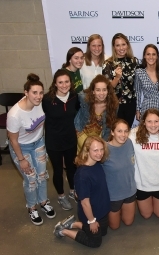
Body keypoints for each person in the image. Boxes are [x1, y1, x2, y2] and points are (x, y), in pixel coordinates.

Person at [7, 73, 56, 225]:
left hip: (38, 143)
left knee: (41, 175)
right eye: (34, 93)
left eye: (41, 92)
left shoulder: (40, 103)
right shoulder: (15, 114)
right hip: (22, 147)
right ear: (26, 93)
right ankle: (32, 207)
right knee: (31, 179)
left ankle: (43, 202)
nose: (38, 96)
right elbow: (13, 140)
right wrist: (21, 160)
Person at [53, 136, 110, 248]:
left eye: (101, 149)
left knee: (103, 232)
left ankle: (73, 224)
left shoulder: (97, 164)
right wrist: (91, 221)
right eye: (95, 150)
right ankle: (62, 230)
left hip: (102, 210)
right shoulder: (83, 175)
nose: (100, 153)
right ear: (87, 151)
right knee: (95, 242)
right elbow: (84, 203)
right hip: (91, 215)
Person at [42, 69, 79, 210]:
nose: (64, 85)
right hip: (54, 141)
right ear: (55, 84)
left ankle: (72, 191)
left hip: (70, 139)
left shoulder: (74, 97)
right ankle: (61, 196)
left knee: (72, 167)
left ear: (71, 82)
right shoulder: (46, 100)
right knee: (57, 170)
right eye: (60, 82)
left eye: (67, 82)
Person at [129, 108, 159, 219]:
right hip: (143, 184)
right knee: (146, 215)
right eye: (149, 121)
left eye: (156, 121)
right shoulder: (134, 135)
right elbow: (118, 139)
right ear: (143, 122)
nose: (153, 125)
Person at [102, 119, 136, 229]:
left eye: (126, 131)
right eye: (119, 131)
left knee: (128, 222)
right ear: (112, 132)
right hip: (113, 195)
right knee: (114, 227)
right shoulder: (104, 149)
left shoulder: (130, 143)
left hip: (129, 191)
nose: (123, 135)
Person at [74, 74, 119, 151]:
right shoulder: (84, 100)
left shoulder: (113, 105)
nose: (101, 93)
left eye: (104, 90)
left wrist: (102, 144)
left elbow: (108, 128)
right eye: (98, 90)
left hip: (99, 137)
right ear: (93, 91)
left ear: (108, 91)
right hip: (81, 133)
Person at [102, 33, 138, 127]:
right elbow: (108, 87)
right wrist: (117, 77)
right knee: (116, 131)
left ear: (127, 45)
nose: (121, 48)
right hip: (115, 104)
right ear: (114, 47)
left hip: (131, 104)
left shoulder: (134, 61)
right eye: (118, 45)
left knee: (126, 130)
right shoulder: (108, 64)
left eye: (123, 44)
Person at [135, 44, 159, 126]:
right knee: (146, 134)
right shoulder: (139, 72)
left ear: (157, 56)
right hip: (147, 106)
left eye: (153, 54)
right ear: (144, 56)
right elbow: (137, 93)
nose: (151, 57)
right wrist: (137, 110)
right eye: (148, 54)